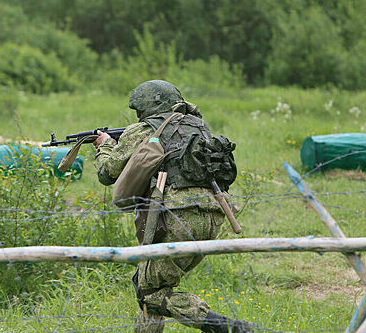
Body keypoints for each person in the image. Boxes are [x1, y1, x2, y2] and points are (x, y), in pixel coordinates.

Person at [93, 80, 253, 333]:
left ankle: (226, 326)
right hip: (214, 215)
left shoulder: (144, 129)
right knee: (148, 284)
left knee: (151, 294)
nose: (138, 116)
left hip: (174, 219)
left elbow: (107, 173)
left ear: (149, 108)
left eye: (140, 112)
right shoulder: (199, 126)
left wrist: (104, 147)